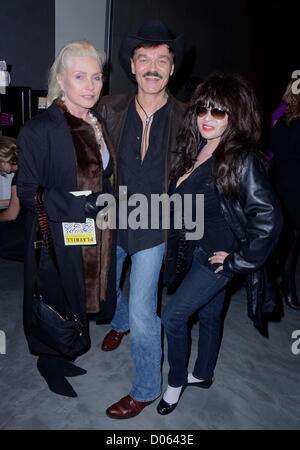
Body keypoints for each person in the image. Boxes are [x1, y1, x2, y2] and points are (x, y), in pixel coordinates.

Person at [156, 73, 282, 415]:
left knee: (172, 318)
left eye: (219, 112)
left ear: (236, 115)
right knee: (211, 315)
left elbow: (269, 220)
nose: (207, 119)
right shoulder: (198, 145)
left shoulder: (242, 158)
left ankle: (176, 381)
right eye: (203, 109)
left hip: (217, 258)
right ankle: (204, 373)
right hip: (195, 248)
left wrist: (236, 261)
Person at [17, 40, 117, 397]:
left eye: (96, 77)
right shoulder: (39, 129)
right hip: (54, 232)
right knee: (53, 296)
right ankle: (48, 363)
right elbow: (27, 191)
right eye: (79, 76)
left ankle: (64, 353)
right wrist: (78, 206)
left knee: (78, 295)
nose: (90, 85)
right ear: (61, 78)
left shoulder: (97, 122)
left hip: (91, 229)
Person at [97, 19, 186, 418]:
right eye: (144, 58)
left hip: (154, 225)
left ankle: (147, 387)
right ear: (132, 66)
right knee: (103, 286)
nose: (153, 67)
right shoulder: (108, 108)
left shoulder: (189, 119)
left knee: (143, 310)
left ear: (172, 68)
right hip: (111, 216)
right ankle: (119, 321)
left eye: (162, 60)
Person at [271, 83, 300, 309]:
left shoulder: (280, 113)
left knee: (287, 235)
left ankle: (282, 281)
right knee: (290, 235)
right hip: (288, 183)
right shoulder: (280, 114)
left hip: (280, 181)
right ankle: (284, 284)